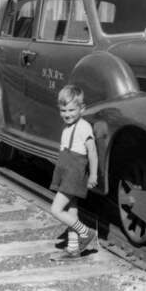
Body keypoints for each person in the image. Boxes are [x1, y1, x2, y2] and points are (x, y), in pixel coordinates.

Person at [49, 84, 98, 260]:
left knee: (56, 209)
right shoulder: (66, 128)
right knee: (71, 210)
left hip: (74, 173)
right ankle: (73, 248)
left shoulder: (84, 127)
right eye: (63, 110)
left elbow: (92, 152)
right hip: (66, 171)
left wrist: (93, 174)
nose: (67, 114)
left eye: (71, 110)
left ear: (81, 109)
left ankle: (86, 233)